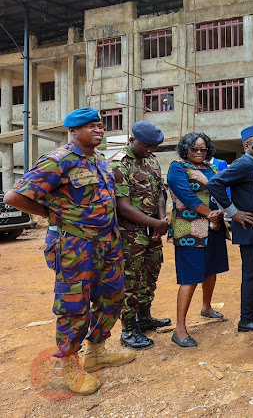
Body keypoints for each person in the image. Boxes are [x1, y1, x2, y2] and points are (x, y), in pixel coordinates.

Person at [3, 108, 135, 395]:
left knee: (113, 296)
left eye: (100, 126)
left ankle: (97, 351)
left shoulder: (99, 161)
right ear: (72, 131)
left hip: (106, 243)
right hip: (74, 245)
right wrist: (54, 216)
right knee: (74, 306)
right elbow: (14, 197)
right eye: (90, 126)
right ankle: (68, 365)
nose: (98, 130)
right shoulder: (58, 160)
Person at [109, 122, 171, 350]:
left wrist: (161, 221)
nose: (150, 150)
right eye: (146, 145)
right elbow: (122, 207)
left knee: (150, 276)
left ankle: (144, 317)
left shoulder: (151, 160)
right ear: (132, 140)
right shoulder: (119, 164)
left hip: (152, 231)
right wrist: (157, 223)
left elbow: (160, 193)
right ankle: (128, 329)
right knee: (130, 282)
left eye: (154, 146)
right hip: (130, 236)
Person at [166, 132, 229, 348]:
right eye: (195, 149)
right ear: (185, 149)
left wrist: (220, 214)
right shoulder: (178, 167)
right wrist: (209, 214)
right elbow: (186, 195)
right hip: (190, 230)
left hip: (214, 228)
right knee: (190, 276)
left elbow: (219, 192)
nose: (199, 153)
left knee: (211, 269)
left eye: (203, 149)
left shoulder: (210, 168)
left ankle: (207, 307)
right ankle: (180, 329)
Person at [207, 125, 253, 333]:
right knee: (252, 274)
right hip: (249, 227)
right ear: (247, 145)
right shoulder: (243, 163)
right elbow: (215, 183)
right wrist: (233, 212)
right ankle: (248, 319)